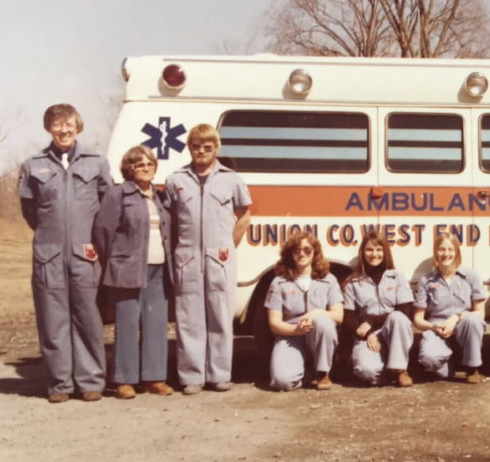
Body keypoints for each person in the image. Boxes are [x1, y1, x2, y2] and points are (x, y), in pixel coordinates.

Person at [17, 104, 113, 403]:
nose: (64, 130)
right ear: (49, 128)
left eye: (69, 124)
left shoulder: (97, 162)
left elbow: (106, 207)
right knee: (52, 318)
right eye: (57, 125)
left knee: (87, 317)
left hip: (85, 254)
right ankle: (60, 384)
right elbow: (30, 211)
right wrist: (52, 236)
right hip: (49, 254)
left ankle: (90, 381)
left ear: (78, 126)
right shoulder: (33, 165)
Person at [165, 124, 252, 395]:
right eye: (196, 146)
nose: (201, 151)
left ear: (216, 148)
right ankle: (191, 376)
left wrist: (227, 246)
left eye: (208, 147)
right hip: (187, 259)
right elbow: (171, 221)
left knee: (220, 317)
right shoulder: (176, 179)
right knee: (189, 319)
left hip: (221, 259)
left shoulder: (232, 179)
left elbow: (244, 216)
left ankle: (219, 374)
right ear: (189, 148)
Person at [92, 145, 174, 398]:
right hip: (127, 270)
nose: (145, 168)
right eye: (139, 164)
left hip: (159, 270)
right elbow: (103, 233)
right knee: (127, 323)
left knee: (156, 324)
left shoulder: (159, 196)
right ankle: (124, 381)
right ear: (129, 168)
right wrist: (118, 260)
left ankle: (154, 378)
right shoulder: (118, 195)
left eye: (149, 163)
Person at [265, 231, 343, 391]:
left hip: (318, 337)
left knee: (323, 321)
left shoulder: (328, 279)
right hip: (290, 336)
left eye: (307, 249)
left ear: (315, 252)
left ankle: (323, 372)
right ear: (290, 253)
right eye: (297, 250)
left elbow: (338, 316)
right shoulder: (279, 282)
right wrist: (296, 330)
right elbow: (274, 323)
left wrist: (315, 313)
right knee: (282, 382)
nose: (302, 253)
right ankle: (307, 372)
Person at [342, 231, 415, 387]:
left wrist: (373, 321)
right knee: (368, 372)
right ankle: (387, 369)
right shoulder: (352, 282)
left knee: (398, 318)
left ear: (385, 252)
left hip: (393, 330)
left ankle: (401, 370)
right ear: (362, 252)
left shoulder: (397, 277)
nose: (374, 254)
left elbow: (405, 311)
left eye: (379, 249)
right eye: (369, 249)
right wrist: (368, 333)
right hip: (368, 334)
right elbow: (348, 317)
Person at [414, 233, 487, 383]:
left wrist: (457, 317)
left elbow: (480, 313)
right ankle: (449, 364)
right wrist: (434, 327)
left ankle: (472, 368)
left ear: (456, 252)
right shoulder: (426, 280)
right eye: (441, 249)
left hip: (463, 326)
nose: (446, 254)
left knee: (474, 321)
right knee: (428, 358)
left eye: (450, 249)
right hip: (438, 329)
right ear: (435, 252)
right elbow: (417, 319)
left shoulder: (470, 276)